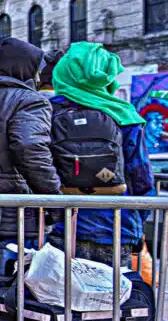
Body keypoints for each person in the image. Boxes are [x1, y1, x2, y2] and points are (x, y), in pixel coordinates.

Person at [46, 42, 151, 264]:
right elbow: (141, 179)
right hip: (117, 227)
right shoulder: (126, 116)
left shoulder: (47, 112)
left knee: (57, 296)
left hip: (64, 227)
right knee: (112, 297)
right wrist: (136, 223)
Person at [0, 37, 60, 276]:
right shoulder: (31, 101)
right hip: (16, 215)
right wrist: (54, 199)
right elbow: (30, 148)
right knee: (14, 296)